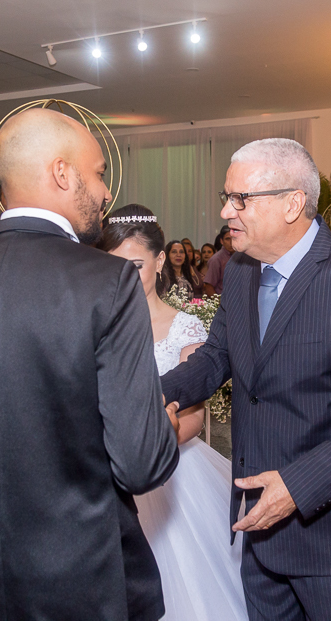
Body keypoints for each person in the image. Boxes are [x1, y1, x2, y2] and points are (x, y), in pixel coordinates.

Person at [0, 108, 179, 620]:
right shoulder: (109, 282)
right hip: (82, 576)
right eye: (97, 174)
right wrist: (164, 422)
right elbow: (141, 463)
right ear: (62, 173)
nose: (104, 192)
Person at [161, 138, 331, 621]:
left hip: (328, 529)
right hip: (255, 518)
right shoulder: (238, 271)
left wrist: (298, 486)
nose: (225, 211)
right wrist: (152, 394)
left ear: (292, 203)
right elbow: (217, 356)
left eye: (240, 199)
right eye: (225, 196)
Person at [100, 205, 248, 620]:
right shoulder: (95, 327)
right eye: (114, 267)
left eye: (135, 265)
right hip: (107, 473)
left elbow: (196, 416)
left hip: (171, 468)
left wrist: (147, 447)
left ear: (161, 260)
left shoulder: (184, 326)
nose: (124, 277)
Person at [203, 226, 234, 296]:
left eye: (234, 238)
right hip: (223, 302)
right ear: (221, 241)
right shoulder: (216, 259)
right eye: (227, 239)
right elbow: (209, 286)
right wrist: (218, 304)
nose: (231, 242)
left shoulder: (242, 256)